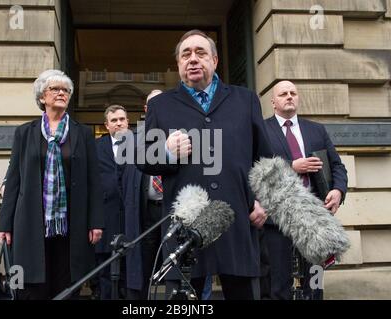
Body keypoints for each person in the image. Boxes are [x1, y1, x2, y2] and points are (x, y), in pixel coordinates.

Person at [138, 30, 273, 300]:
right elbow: (143, 158)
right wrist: (167, 151)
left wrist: (263, 200)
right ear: (178, 65)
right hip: (186, 226)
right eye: (185, 54)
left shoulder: (245, 99)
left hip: (237, 220)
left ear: (214, 60)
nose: (192, 59)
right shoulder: (161, 105)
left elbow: (265, 159)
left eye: (200, 53)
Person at [0, 69, 105, 300]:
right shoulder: (24, 133)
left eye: (65, 90)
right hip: (30, 224)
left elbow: (94, 181)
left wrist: (96, 222)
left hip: (71, 226)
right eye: (54, 89)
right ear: (42, 97)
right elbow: (14, 179)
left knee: (67, 288)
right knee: (30, 288)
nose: (61, 93)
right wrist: (4, 224)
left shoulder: (83, 133)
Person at [263, 80, 348, 300]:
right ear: (273, 102)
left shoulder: (316, 129)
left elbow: (337, 166)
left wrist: (338, 191)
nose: (289, 96)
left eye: (293, 93)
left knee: (315, 281)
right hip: (278, 218)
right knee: (278, 282)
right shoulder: (262, 130)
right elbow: (255, 168)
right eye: (283, 94)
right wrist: (291, 166)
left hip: (314, 218)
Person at [122, 89, 164, 300]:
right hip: (145, 212)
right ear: (146, 109)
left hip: (172, 212)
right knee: (144, 265)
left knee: (177, 267)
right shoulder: (133, 139)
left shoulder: (182, 135)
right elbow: (124, 181)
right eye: (153, 104)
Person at [95, 104, 129, 299]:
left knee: (129, 272)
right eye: (114, 120)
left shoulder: (140, 146)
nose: (118, 123)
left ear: (127, 122)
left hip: (133, 219)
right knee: (105, 271)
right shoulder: (95, 147)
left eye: (122, 119)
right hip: (105, 219)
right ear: (106, 125)